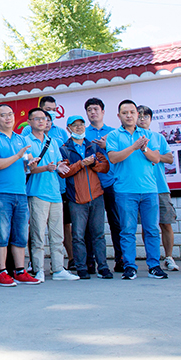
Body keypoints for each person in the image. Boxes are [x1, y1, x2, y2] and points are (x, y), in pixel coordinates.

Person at [104, 100, 169, 281]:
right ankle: (130, 267)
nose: (129, 116)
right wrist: (133, 147)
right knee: (127, 230)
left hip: (149, 189)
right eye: (125, 113)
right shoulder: (114, 136)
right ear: (119, 116)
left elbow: (156, 158)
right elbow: (113, 158)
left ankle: (154, 266)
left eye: (132, 112)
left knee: (152, 230)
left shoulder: (148, 135)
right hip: (125, 190)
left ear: (137, 115)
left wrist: (144, 147)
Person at [0, 104, 38, 286]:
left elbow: (25, 162)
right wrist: (17, 156)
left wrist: (31, 163)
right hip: (0, 193)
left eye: (10, 114)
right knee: (1, 234)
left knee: (20, 234)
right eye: (3, 115)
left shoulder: (20, 138)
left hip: (20, 191)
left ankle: (20, 270)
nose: (8, 118)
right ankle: (1, 272)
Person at [23, 108, 74, 282]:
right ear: (29, 122)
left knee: (57, 234)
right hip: (37, 192)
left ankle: (58, 268)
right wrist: (46, 168)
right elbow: (29, 168)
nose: (41, 121)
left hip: (55, 193)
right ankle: (38, 269)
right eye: (37, 119)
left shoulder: (52, 142)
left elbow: (58, 162)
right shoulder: (25, 142)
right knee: (37, 234)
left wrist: (59, 166)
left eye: (44, 119)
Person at [59, 115, 111, 280]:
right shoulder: (64, 149)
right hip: (76, 198)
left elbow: (105, 167)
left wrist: (93, 163)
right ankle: (81, 267)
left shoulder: (92, 146)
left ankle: (103, 267)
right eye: (75, 125)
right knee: (78, 235)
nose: (79, 127)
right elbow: (65, 172)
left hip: (96, 195)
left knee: (99, 234)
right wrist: (81, 164)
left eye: (81, 124)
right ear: (68, 128)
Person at [137, 106, 179, 272]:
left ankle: (169, 257)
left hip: (160, 187)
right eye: (139, 116)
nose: (142, 119)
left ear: (151, 119)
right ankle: (152, 258)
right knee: (147, 225)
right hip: (141, 187)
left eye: (146, 116)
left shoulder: (158, 137)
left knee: (166, 223)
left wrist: (151, 154)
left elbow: (169, 158)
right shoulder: (132, 138)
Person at [84, 98, 123, 272]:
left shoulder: (114, 133)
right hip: (91, 185)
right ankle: (90, 261)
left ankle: (121, 259)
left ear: (103, 111)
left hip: (112, 183)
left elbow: (121, 154)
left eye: (96, 109)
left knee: (116, 222)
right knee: (91, 226)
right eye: (89, 110)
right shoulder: (84, 133)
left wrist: (106, 146)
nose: (93, 112)